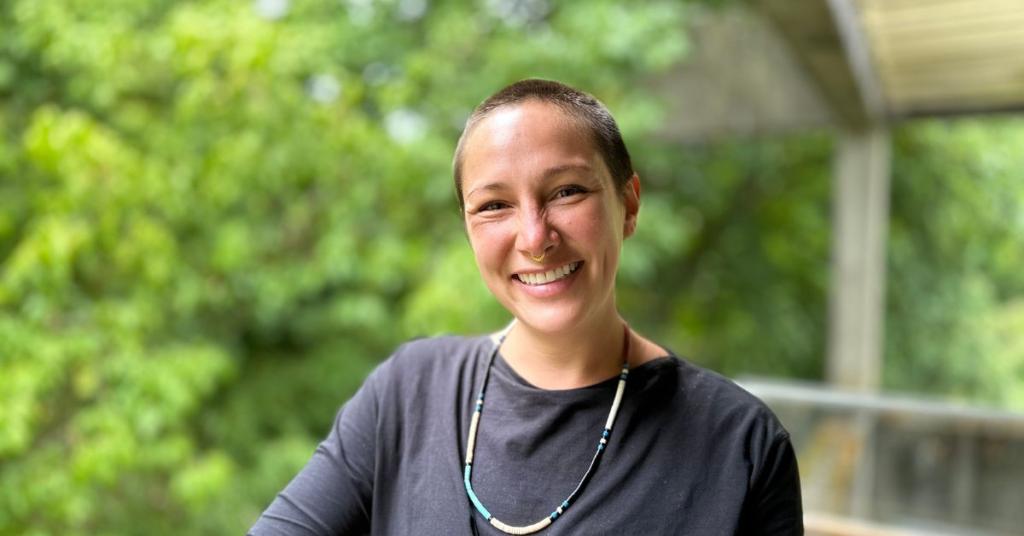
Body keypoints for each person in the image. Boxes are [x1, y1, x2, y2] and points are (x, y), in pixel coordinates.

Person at [248, 79, 803, 535]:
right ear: (468, 229)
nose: (535, 238)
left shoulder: (741, 446)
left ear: (629, 204)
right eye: (494, 206)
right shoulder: (408, 393)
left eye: (566, 192)